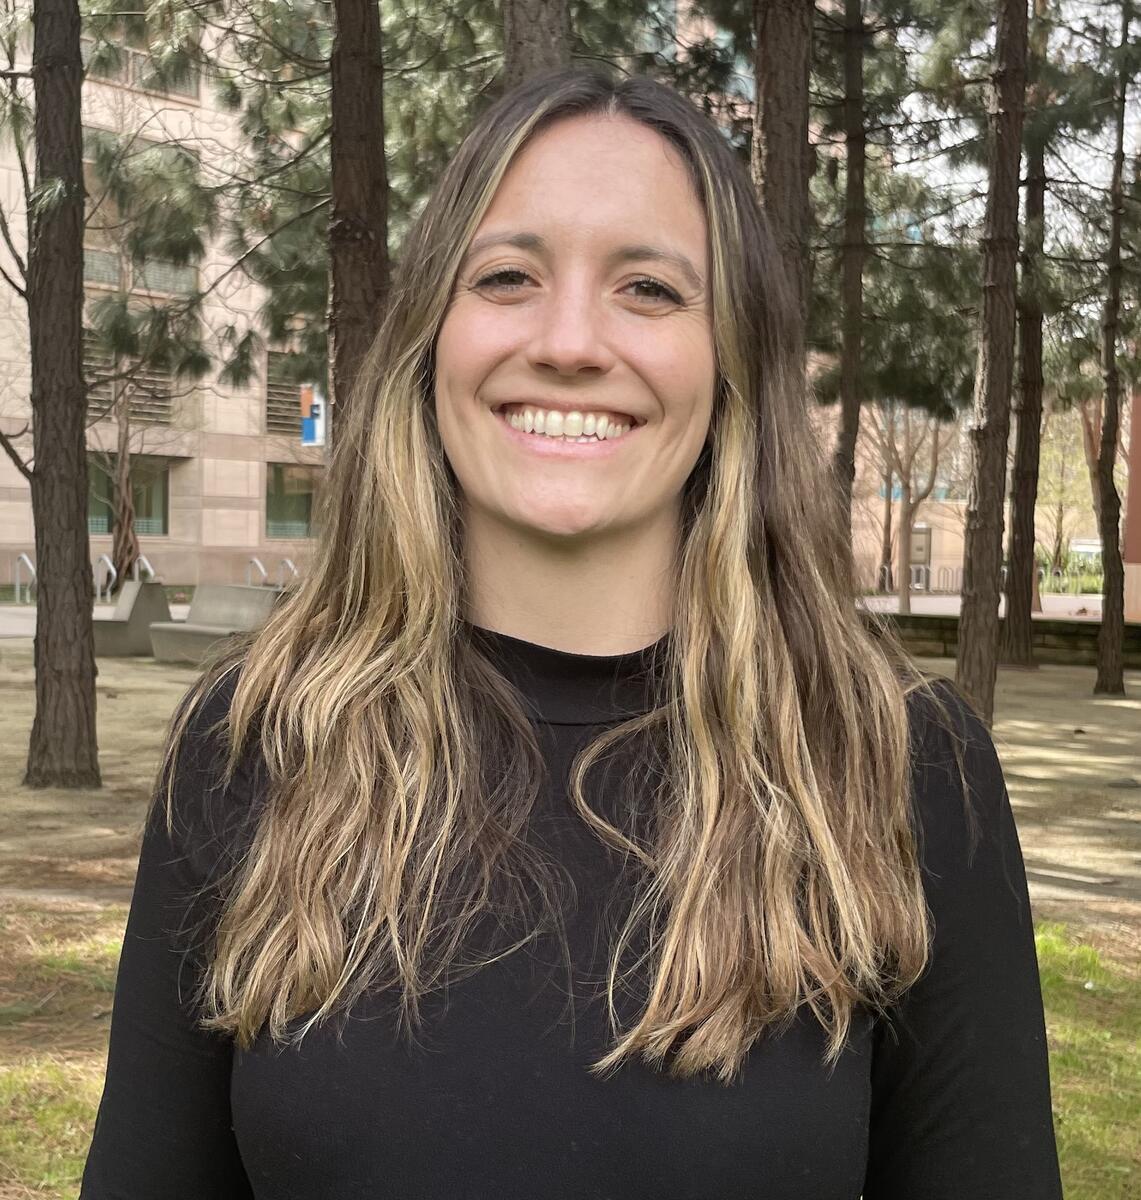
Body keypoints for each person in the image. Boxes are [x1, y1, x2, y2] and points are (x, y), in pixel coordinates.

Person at [80, 66, 1063, 1199]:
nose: (568, 340)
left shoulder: (899, 764)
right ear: (430, 335)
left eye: (647, 288)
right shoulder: (254, 738)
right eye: (506, 276)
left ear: (733, 356)